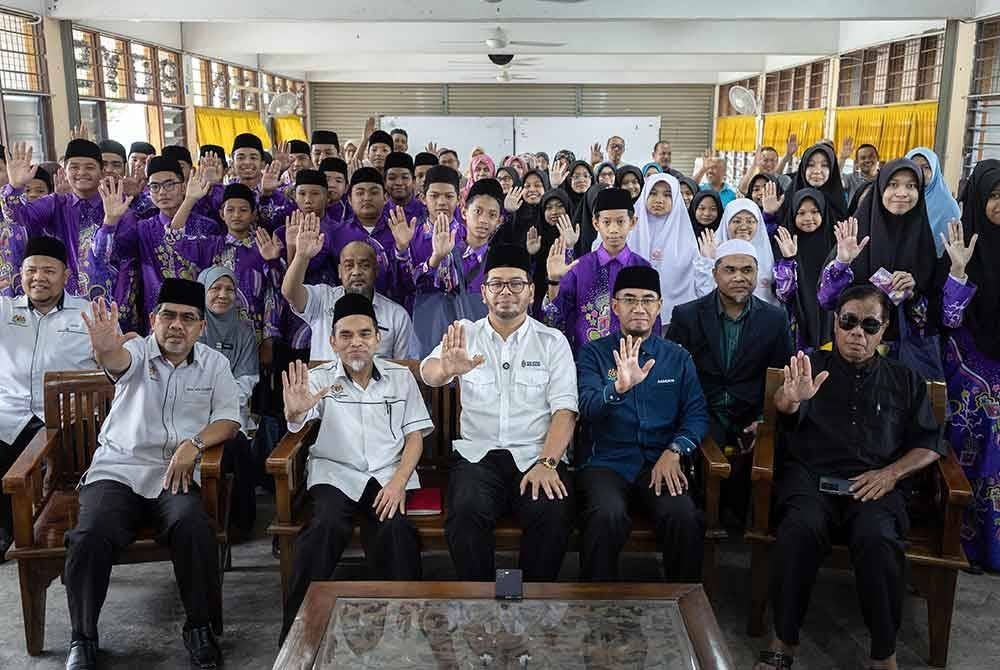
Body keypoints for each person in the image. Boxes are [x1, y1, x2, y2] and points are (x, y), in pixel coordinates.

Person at [755, 284, 945, 670]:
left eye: (870, 325)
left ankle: (883, 653)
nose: (858, 333)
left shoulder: (906, 380)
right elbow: (783, 408)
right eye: (849, 322)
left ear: (884, 330)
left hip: (875, 484)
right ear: (835, 324)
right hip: (813, 479)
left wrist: (892, 473)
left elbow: (930, 443)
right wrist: (791, 397)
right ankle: (783, 641)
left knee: (878, 539)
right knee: (799, 529)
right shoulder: (810, 366)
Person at [65, 279, 242, 670]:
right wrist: (105, 346)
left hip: (175, 474)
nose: (177, 325)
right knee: (89, 534)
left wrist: (193, 444)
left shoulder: (215, 364)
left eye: (188, 318)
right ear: (153, 319)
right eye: (168, 316)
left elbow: (229, 419)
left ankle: (199, 628)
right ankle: (83, 637)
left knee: (193, 526)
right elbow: (117, 362)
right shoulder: (136, 351)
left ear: (201, 327)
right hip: (119, 469)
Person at [279, 293, 432, 641]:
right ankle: (295, 636)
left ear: (378, 338)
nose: (356, 343)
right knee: (324, 528)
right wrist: (294, 412)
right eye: (346, 336)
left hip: (387, 475)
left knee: (396, 531)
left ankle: (406, 634)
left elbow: (415, 437)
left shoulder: (400, 377)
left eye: (364, 334)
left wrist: (399, 482)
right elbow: (298, 418)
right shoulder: (318, 380)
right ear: (333, 342)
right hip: (336, 475)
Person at [421, 244, 578, 581]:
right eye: (497, 284)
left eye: (516, 284)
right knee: (465, 511)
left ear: (531, 291)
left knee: (552, 511)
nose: (506, 291)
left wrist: (548, 463)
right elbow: (428, 371)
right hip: (479, 456)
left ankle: (531, 605)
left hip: (537, 456)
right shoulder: (466, 333)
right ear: (484, 292)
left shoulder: (552, 341)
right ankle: (481, 608)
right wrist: (447, 370)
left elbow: (565, 410)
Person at [576, 266, 709, 581]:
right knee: (606, 516)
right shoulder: (593, 354)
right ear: (615, 306)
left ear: (659, 306)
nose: (639, 308)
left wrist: (675, 450)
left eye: (648, 300)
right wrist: (618, 389)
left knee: (684, 517)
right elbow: (587, 408)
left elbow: (697, 414)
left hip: (659, 461)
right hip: (606, 462)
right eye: (630, 299)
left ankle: (683, 607)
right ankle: (595, 607)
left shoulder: (677, 357)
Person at [667, 239, 793, 526]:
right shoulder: (687, 315)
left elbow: (781, 375)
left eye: (747, 270)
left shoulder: (775, 318)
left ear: (757, 272)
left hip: (750, 414)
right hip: (702, 413)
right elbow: (673, 376)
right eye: (730, 270)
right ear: (715, 274)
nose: (739, 277)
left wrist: (763, 419)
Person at [0, 237, 96, 558]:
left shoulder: (87, 313)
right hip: (8, 415)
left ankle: (67, 533)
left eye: (48, 271)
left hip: (64, 418)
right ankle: (6, 531)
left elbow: (112, 369)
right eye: (31, 270)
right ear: (20, 275)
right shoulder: (4, 310)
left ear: (66, 275)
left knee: (70, 471)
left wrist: (91, 402)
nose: (38, 277)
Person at [817, 159, 940, 375]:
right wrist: (842, 263)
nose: (902, 192)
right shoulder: (856, 234)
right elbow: (826, 299)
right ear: (881, 187)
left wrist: (913, 293)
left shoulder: (923, 242)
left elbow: (935, 313)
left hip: (902, 361)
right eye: (893, 184)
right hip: (852, 352)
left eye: (911, 186)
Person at [937, 160, 1000, 573]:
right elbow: (949, 318)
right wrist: (958, 270)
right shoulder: (962, 244)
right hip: (966, 358)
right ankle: (965, 542)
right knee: (983, 422)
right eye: (994, 196)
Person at [96, 157, 224, 332]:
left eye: (169, 184)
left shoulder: (208, 226)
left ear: (183, 186)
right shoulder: (143, 228)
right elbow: (103, 256)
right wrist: (109, 221)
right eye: (155, 186)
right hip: (157, 322)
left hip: (200, 321)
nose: (162, 192)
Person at [544, 188, 655, 352]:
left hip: (632, 358)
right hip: (588, 359)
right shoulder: (580, 267)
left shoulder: (643, 267)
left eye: (620, 221)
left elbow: (653, 319)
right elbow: (557, 315)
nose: (613, 230)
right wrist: (554, 281)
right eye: (607, 222)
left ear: (632, 222)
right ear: (596, 224)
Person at [3, 139, 116, 300]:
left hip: (108, 301)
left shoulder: (116, 204)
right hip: (62, 302)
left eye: (89, 167)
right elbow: (19, 217)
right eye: (74, 167)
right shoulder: (55, 203)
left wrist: (111, 220)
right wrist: (15, 187)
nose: (81, 172)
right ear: (65, 171)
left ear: (102, 171)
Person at [283, 233, 417, 361]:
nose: (356, 272)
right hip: (327, 384)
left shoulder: (397, 316)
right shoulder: (322, 299)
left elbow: (404, 369)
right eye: (349, 266)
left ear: (376, 270)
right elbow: (290, 292)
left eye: (364, 266)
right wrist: (301, 256)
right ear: (339, 272)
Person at [410, 179, 507, 355]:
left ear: (499, 221)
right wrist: (436, 257)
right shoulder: (445, 249)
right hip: (438, 345)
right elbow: (417, 283)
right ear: (464, 212)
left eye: (492, 215)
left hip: (482, 351)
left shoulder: (500, 262)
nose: (484, 220)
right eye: (478, 211)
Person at [197, 266, 259, 536]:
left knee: (238, 448)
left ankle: (240, 524)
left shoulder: (244, 332)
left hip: (231, 410)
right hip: (194, 412)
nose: (222, 295)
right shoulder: (193, 326)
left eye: (229, 290)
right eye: (215, 289)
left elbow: (247, 379)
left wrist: (219, 403)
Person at [626, 173, 707, 325]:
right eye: (653, 193)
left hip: (675, 321)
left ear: (675, 199)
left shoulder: (686, 238)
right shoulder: (629, 231)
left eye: (667, 195)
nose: (659, 200)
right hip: (632, 317)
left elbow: (698, 282)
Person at [773, 189, 836, 352]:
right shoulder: (784, 243)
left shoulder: (835, 245)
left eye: (815, 211)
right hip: (796, 327)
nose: (808, 218)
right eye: (801, 213)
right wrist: (788, 259)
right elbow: (783, 293)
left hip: (829, 326)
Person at [696, 199, 778, 306]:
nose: (743, 227)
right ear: (726, 223)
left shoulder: (767, 251)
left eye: (750, 221)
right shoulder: (710, 250)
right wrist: (708, 262)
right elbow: (704, 297)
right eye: (737, 221)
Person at [905, 147, 959, 256]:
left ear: (934, 170)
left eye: (926, 167)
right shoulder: (899, 197)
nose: (919, 171)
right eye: (913, 166)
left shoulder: (947, 206)